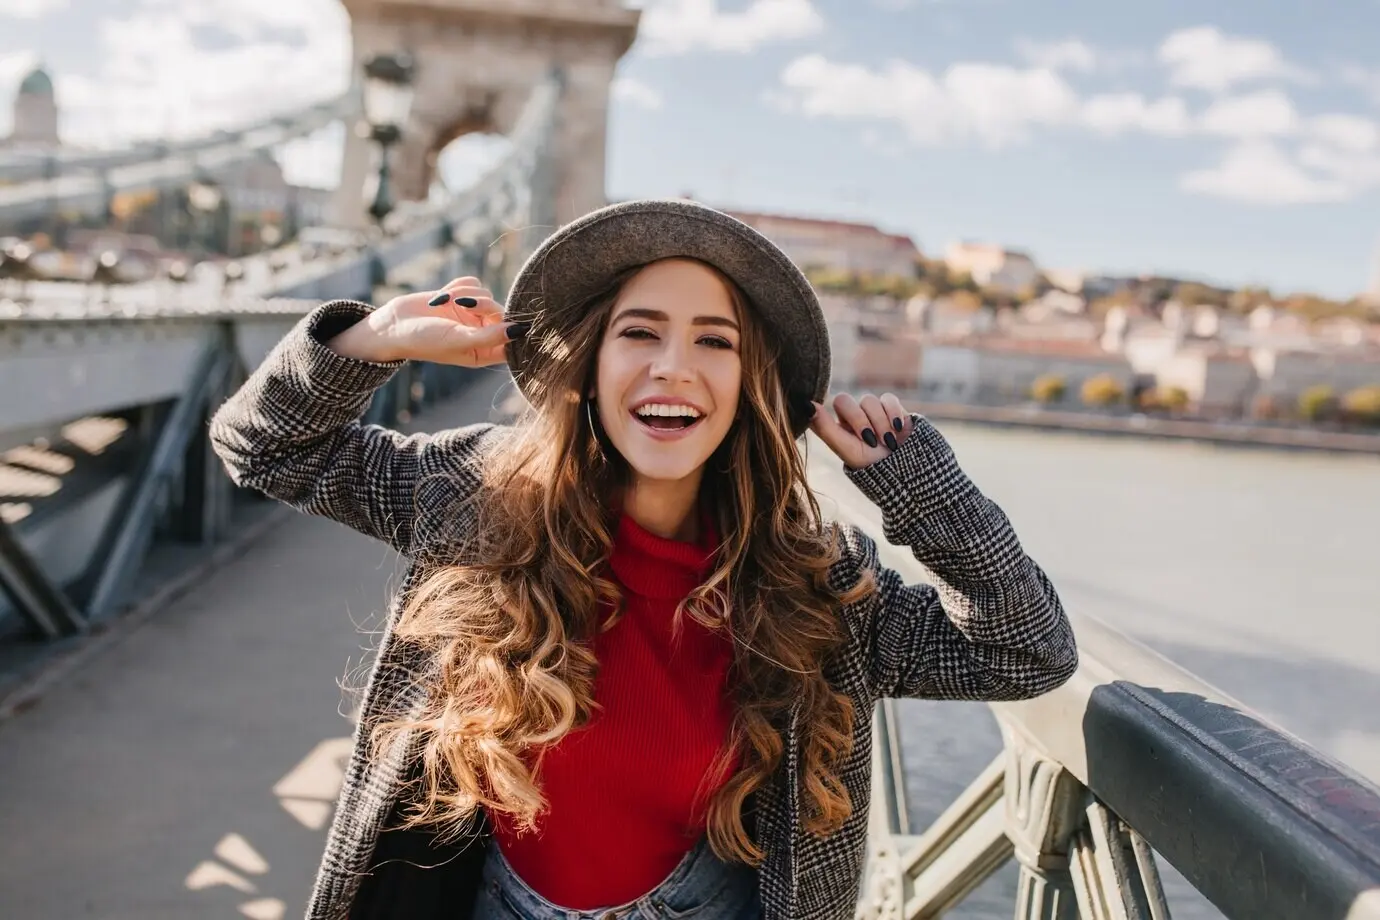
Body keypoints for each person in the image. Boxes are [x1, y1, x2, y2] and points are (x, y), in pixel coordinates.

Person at [208, 198, 1077, 920]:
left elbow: (1028, 648)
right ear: (589, 366)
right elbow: (265, 449)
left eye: (715, 341)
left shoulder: (821, 583)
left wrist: (922, 488)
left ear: (749, 387)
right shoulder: (480, 499)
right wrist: (375, 341)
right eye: (640, 333)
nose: (673, 368)